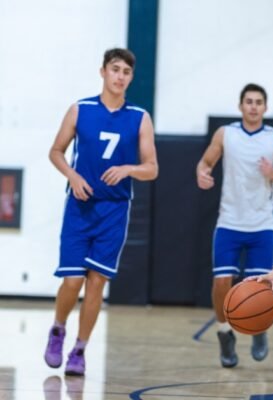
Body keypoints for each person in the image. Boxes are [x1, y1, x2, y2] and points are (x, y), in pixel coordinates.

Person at [44, 48, 159, 376]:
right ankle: (58, 328)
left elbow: (152, 168)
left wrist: (128, 169)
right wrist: (73, 175)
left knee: (96, 284)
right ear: (103, 72)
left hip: (114, 210)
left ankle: (79, 350)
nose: (120, 76)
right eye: (115, 69)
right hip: (80, 208)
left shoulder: (139, 117)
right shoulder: (80, 109)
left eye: (126, 72)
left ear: (131, 78)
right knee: (72, 280)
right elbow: (55, 152)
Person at [196, 83, 273, 368]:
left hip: (261, 224)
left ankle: (259, 330)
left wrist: (272, 172)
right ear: (241, 106)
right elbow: (205, 162)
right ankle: (225, 333)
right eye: (248, 101)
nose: (253, 106)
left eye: (258, 102)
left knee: (260, 286)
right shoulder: (226, 133)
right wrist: (202, 174)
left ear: (265, 107)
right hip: (229, 221)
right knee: (221, 282)